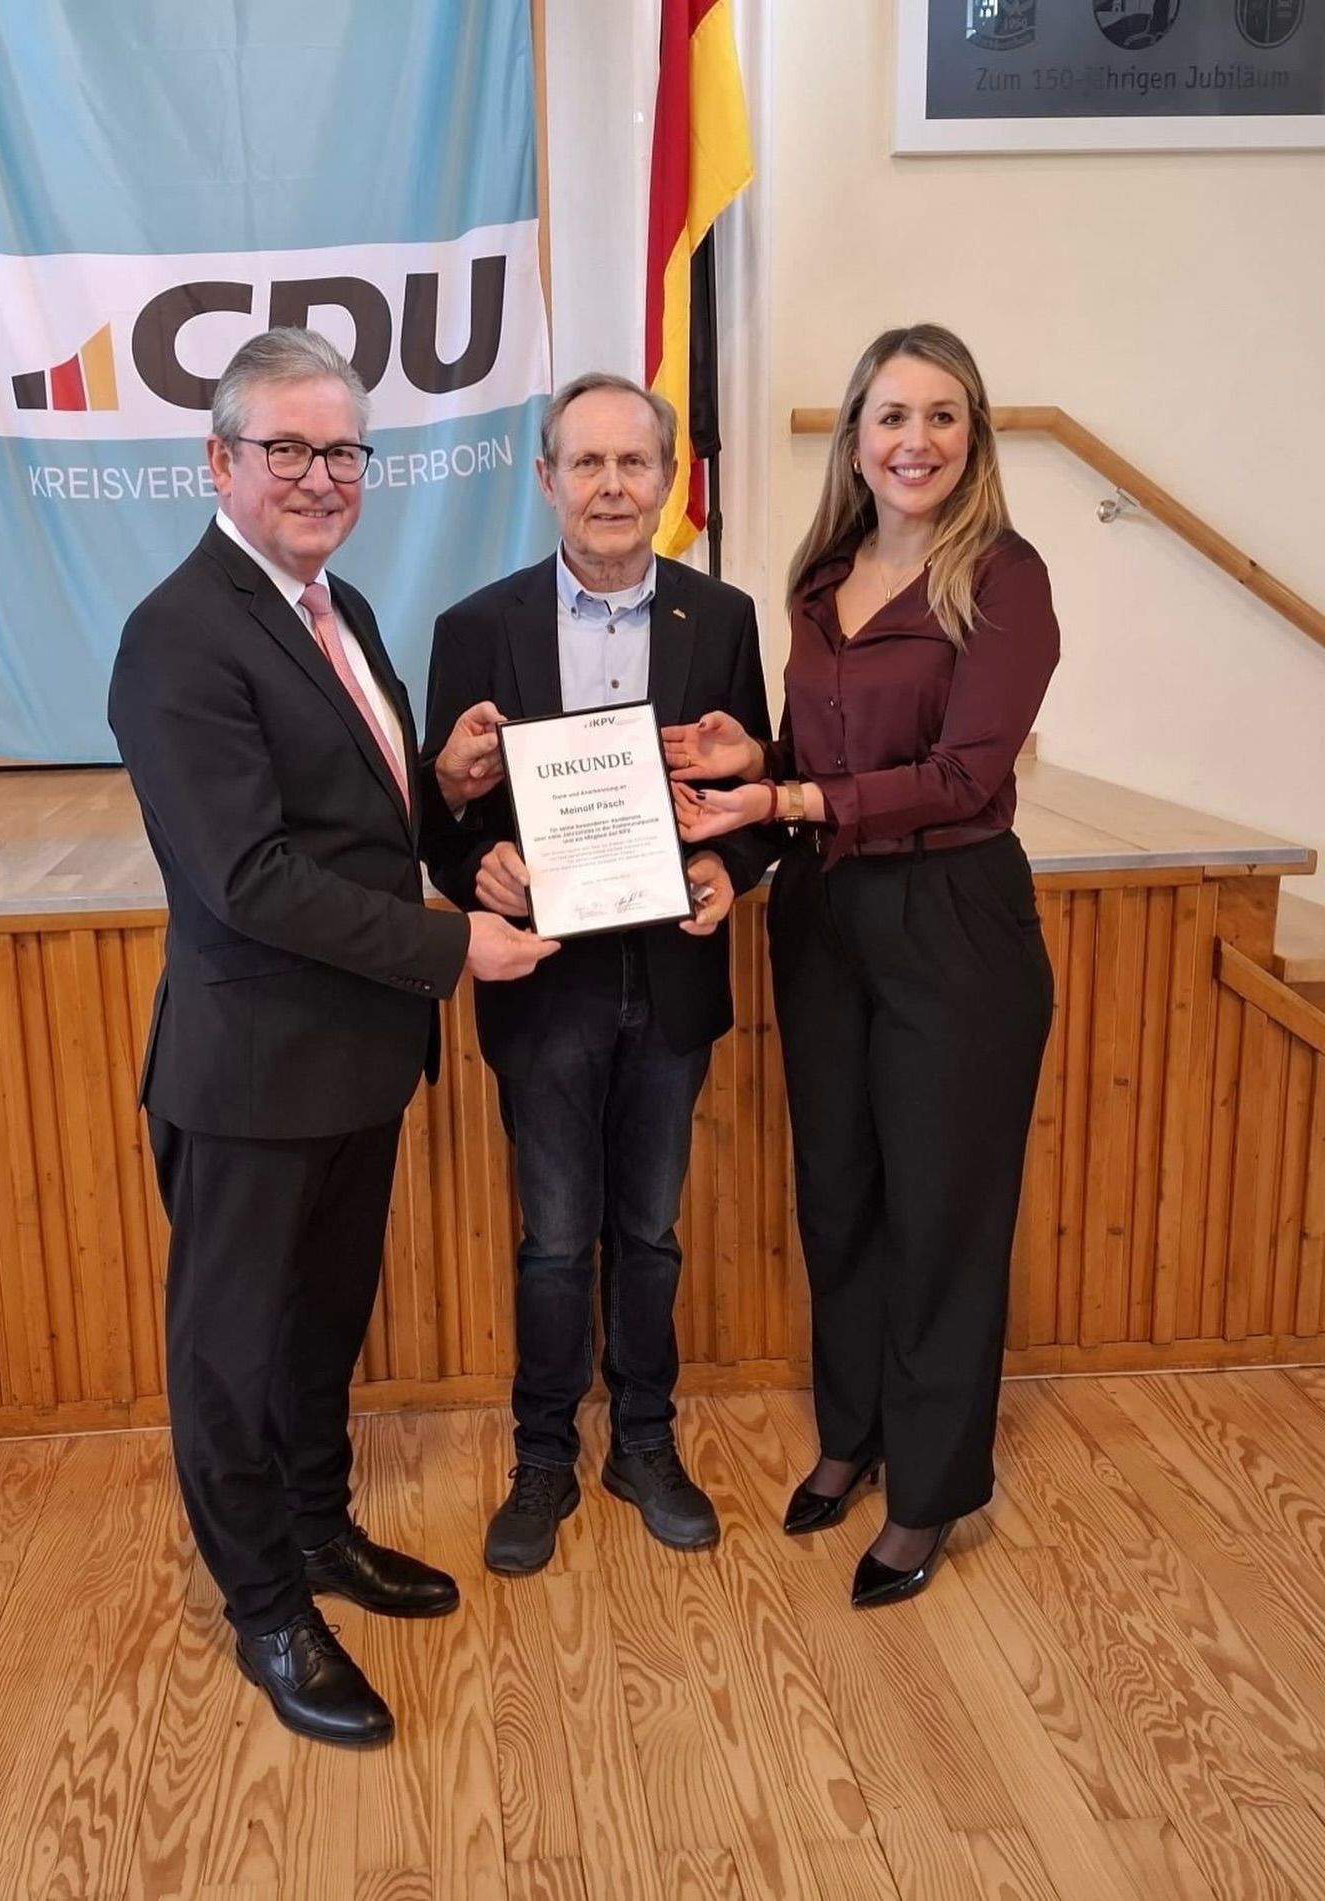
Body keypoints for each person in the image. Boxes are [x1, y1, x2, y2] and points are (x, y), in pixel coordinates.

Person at [108, 327, 556, 1746]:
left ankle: (316, 1529)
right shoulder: (180, 634)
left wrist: (444, 785)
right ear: (220, 461)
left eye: (342, 449)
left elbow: (346, 819)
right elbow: (247, 876)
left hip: (356, 1058)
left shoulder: (337, 604)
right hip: (251, 1073)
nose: (319, 475)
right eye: (287, 448)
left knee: (321, 1331)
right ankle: (265, 1610)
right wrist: (453, 945)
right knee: (231, 1356)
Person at [667, 324, 1058, 1607]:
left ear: (973, 437)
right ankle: (855, 1432)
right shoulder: (821, 577)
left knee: (944, 1212)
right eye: (893, 415)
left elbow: (963, 775)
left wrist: (785, 793)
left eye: (943, 415)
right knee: (838, 1191)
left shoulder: (1002, 576)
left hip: (953, 916)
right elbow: (813, 759)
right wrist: (754, 760)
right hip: (827, 914)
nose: (916, 440)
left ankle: (932, 1487)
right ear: (854, 438)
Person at [422, 371, 775, 1575]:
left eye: (635, 463)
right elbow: (444, 812)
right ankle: (542, 1456)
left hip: (670, 977)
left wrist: (735, 869)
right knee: (556, 1238)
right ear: (547, 478)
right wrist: (480, 867)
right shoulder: (477, 627)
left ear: (668, 481)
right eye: (588, 462)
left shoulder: (720, 619)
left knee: (651, 1230)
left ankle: (645, 1441)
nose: (612, 485)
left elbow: (754, 790)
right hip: (548, 983)